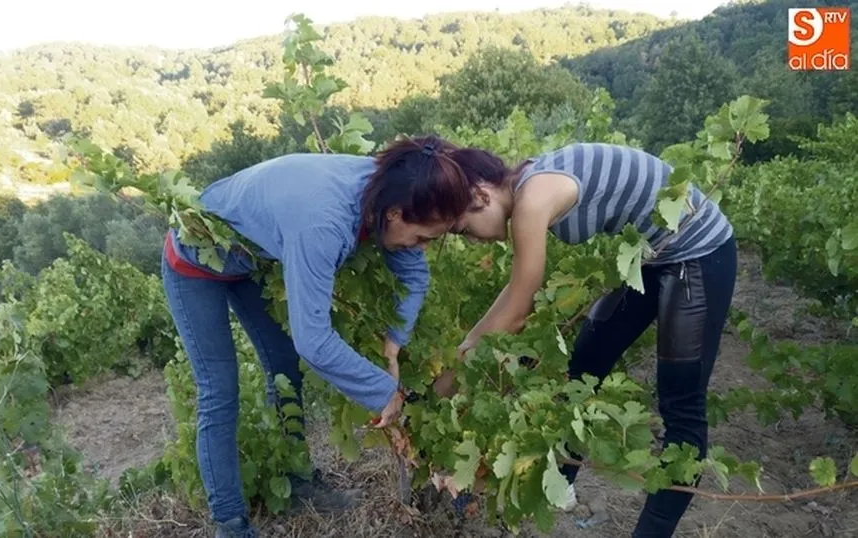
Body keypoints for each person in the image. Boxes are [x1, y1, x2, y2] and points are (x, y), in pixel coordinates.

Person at [160, 135, 478, 538]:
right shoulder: (324, 223)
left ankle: (297, 480)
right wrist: (385, 393)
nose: (421, 247)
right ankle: (230, 523)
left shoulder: (390, 191)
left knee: (282, 368)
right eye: (422, 238)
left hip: (250, 260)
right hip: (193, 263)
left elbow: (414, 274)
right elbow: (313, 341)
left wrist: (393, 344)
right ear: (396, 214)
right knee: (220, 391)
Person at [442, 142, 737, 537]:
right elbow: (516, 291)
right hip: (652, 256)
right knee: (581, 369)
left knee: (681, 405)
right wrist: (466, 347)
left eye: (463, 229)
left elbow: (517, 311)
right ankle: (555, 488)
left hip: (701, 251)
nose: (472, 240)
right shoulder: (527, 184)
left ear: (481, 196)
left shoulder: (532, 200)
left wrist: (446, 381)